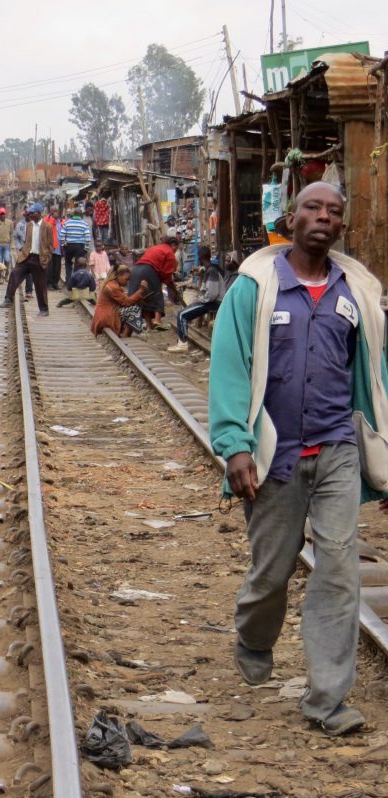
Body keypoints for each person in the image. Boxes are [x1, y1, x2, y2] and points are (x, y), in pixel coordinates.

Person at [208, 182, 388, 737]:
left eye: (334, 211)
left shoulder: (356, 291)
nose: (323, 217)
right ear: (292, 217)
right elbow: (230, 366)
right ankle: (254, 637)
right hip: (273, 453)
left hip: (336, 449)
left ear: (341, 226)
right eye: (313, 207)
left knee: (338, 571)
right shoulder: (255, 287)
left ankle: (327, 701)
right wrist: (234, 443)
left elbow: (377, 376)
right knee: (272, 571)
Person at [0, 203, 53, 317]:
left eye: (32, 213)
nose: (30, 214)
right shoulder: (29, 225)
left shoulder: (47, 227)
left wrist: (47, 259)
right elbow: (27, 241)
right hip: (26, 256)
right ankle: (8, 299)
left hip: (39, 259)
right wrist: (23, 251)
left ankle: (44, 309)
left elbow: (50, 245)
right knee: (14, 274)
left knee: (40, 285)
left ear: (38, 213)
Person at [168, 247, 224, 353]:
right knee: (184, 312)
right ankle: (182, 341)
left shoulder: (212, 271)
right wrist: (201, 278)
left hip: (213, 303)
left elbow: (211, 295)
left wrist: (200, 300)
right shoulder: (210, 269)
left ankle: (183, 343)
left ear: (200, 258)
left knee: (182, 315)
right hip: (210, 302)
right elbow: (203, 290)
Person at [128, 237, 180, 330]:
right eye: (176, 248)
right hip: (148, 270)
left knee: (146, 298)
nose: (176, 251)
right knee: (157, 294)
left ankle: (149, 326)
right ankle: (157, 320)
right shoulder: (169, 253)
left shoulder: (155, 248)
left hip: (135, 270)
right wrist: (171, 284)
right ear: (173, 245)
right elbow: (166, 274)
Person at [91, 266, 148, 338]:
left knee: (133, 308)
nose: (127, 282)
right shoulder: (113, 287)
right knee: (135, 310)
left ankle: (124, 333)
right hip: (107, 317)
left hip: (106, 315)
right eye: (126, 279)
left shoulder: (112, 284)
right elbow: (127, 302)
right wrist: (141, 290)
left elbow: (124, 301)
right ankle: (125, 335)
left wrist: (139, 297)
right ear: (119, 276)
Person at [61, 206, 93, 286]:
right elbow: (88, 237)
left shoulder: (67, 223)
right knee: (78, 264)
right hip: (80, 246)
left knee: (68, 264)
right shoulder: (84, 224)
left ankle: (68, 282)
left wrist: (64, 245)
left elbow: (62, 235)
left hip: (69, 246)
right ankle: (75, 282)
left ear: (73, 215)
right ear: (81, 215)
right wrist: (86, 248)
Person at [12, 209, 34, 299]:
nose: (29, 216)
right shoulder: (20, 225)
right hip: (22, 251)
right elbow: (15, 237)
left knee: (31, 272)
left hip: (33, 251)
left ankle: (29, 291)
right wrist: (19, 247)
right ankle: (12, 291)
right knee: (19, 271)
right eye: (28, 215)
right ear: (25, 216)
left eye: (31, 214)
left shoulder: (36, 225)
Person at [0, 207, 13, 282]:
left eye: (3, 214)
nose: (2, 215)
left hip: (7, 244)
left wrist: (11, 244)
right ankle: (1, 277)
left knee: (7, 260)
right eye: (1, 214)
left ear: (5, 214)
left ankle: (7, 275)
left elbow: (11, 233)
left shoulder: (10, 223)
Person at [45, 207, 63, 290]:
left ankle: (55, 283)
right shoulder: (47, 220)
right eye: (55, 211)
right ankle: (49, 283)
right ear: (51, 212)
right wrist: (52, 219)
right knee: (50, 267)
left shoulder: (60, 221)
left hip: (59, 248)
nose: (57, 213)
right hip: (50, 247)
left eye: (57, 211)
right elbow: (48, 227)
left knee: (57, 267)